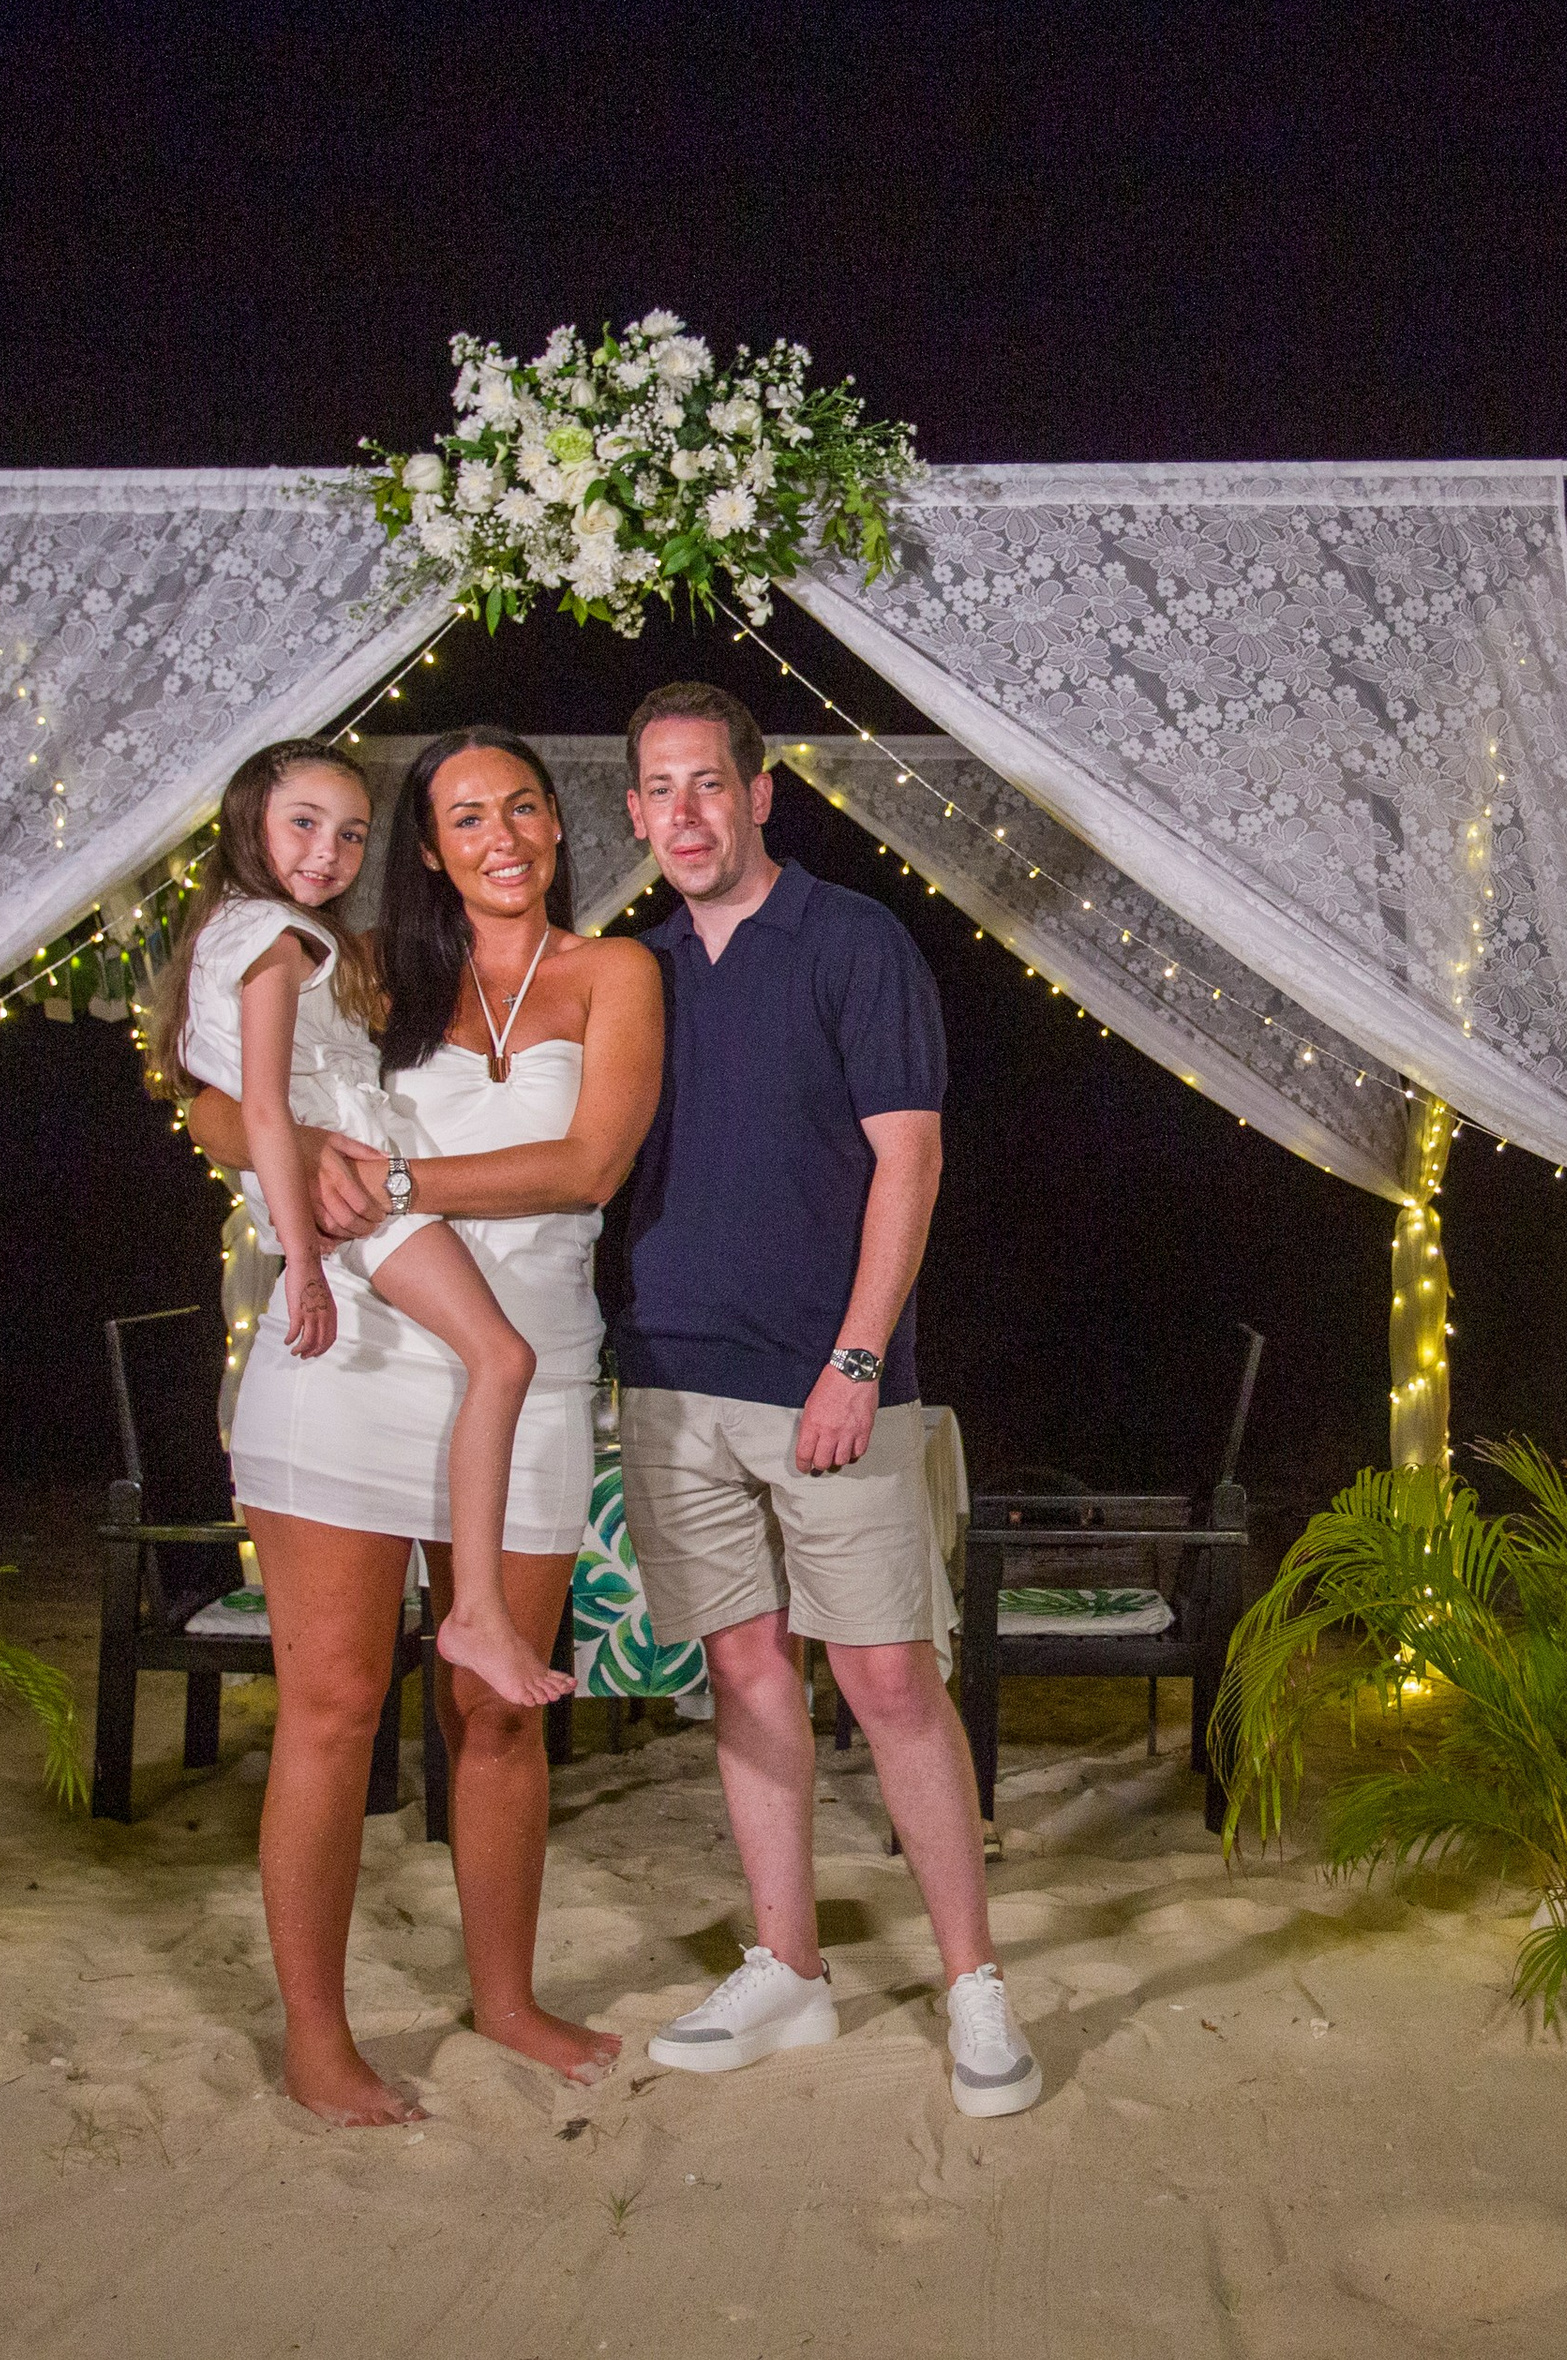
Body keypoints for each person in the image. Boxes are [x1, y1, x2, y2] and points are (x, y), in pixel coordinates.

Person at [186, 728, 663, 2125]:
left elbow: (591, 1161)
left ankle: (505, 1998)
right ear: (433, 846)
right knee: (334, 1708)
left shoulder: (616, 974)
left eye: (521, 807)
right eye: (464, 817)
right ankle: (318, 2039)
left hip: (529, 1368)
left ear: (561, 829)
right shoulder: (377, 969)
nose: (499, 835)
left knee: (495, 1715)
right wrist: (309, 1160)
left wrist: (386, 1172)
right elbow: (220, 1099)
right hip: (353, 1356)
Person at [613, 680, 1040, 2116]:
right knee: (741, 1676)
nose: (684, 813)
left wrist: (858, 1358)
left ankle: (977, 1985)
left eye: (707, 785)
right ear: (633, 813)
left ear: (759, 792)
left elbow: (907, 1163)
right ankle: (788, 1968)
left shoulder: (853, 941)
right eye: (658, 791)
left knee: (885, 1679)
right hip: (673, 1383)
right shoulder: (637, 970)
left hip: (831, 1387)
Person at [156, 738, 570, 1710]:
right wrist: (300, 1229)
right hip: (364, 1228)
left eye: (349, 834)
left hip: (385, 1230)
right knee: (503, 1359)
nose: (328, 851)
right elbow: (235, 1106)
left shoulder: (271, 934)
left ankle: (471, 1612)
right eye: (304, 823)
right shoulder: (292, 938)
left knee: (501, 1360)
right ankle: (473, 1613)